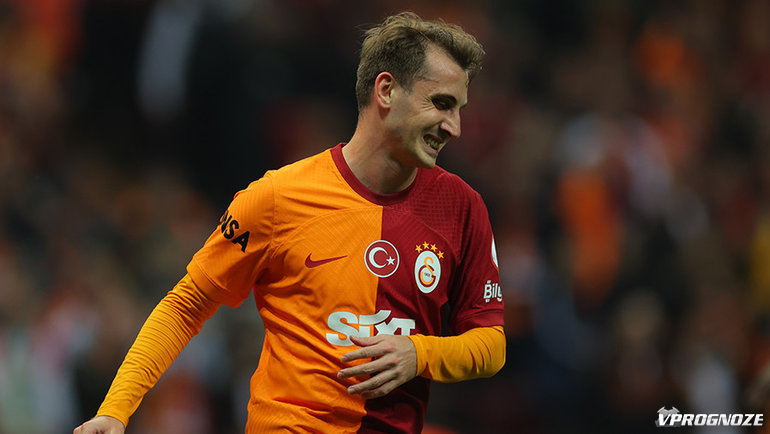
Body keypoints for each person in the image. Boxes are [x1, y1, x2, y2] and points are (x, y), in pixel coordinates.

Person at [74, 11, 506, 433]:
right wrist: (116, 410)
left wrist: (419, 354)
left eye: (459, 109)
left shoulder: (462, 207)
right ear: (387, 90)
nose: (455, 127)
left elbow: (491, 343)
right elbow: (186, 305)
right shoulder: (278, 197)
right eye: (441, 104)